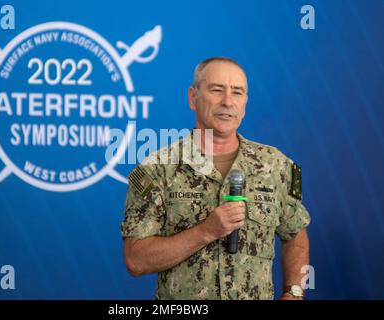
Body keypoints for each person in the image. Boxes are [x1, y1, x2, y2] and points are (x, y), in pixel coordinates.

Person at [121, 57, 311, 300]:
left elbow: (295, 233)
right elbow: (136, 260)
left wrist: (294, 292)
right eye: (216, 90)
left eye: (237, 92)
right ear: (193, 97)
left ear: (245, 103)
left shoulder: (274, 165)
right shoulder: (157, 169)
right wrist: (206, 232)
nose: (228, 102)